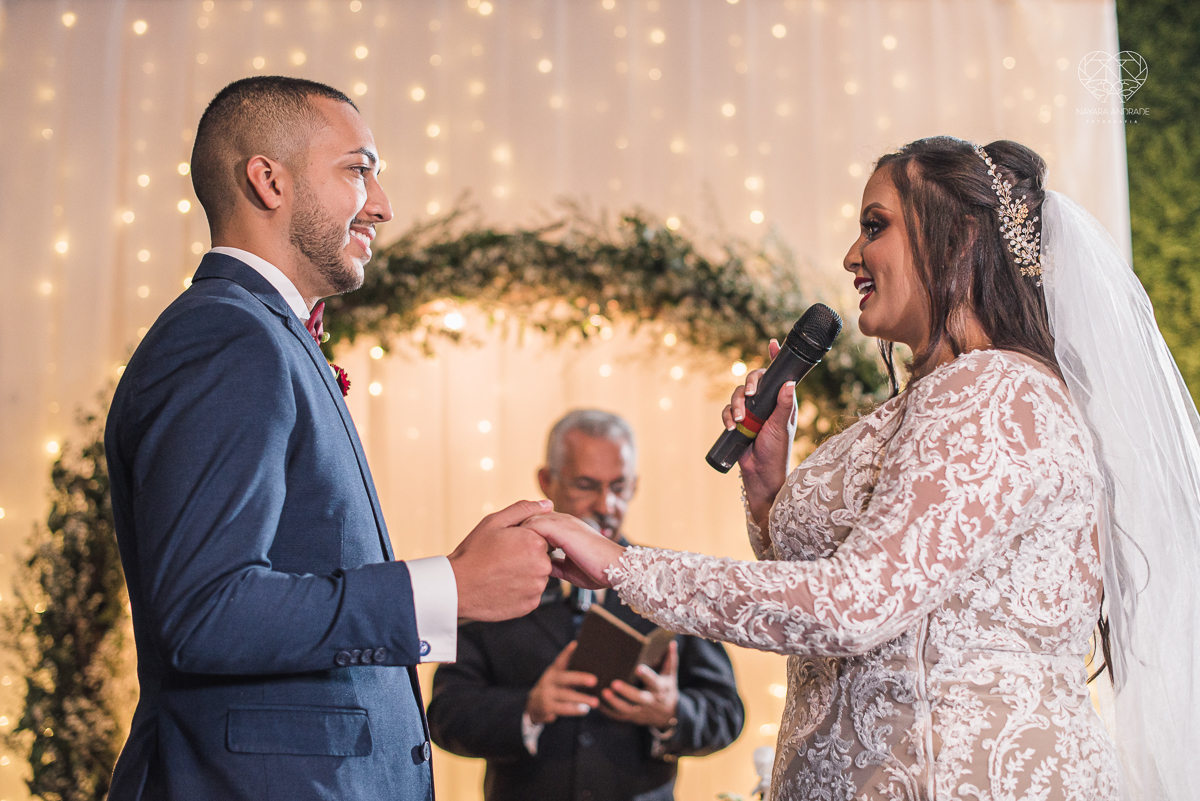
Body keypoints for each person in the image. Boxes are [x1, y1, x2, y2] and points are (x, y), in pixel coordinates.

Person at [531, 137, 1200, 799]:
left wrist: (621, 565)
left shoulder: (994, 391)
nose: (853, 255)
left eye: (875, 226)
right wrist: (768, 496)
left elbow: (853, 606)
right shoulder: (941, 397)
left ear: (961, 240)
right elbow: (857, 615)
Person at [105, 76, 555, 801]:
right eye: (357, 168)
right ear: (268, 180)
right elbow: (207, 610)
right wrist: (449, 586)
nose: (382, 203)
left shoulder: (266, 336)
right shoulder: (226, 334)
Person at [426, 410, 745, 801]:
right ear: (547, 481)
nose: (607, 505)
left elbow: (727, 714)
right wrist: (528, 709)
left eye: (620, 486)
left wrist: (671, 711)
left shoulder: (669, 581)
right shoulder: (494, 580)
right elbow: (445, 716)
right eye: (586, 485)